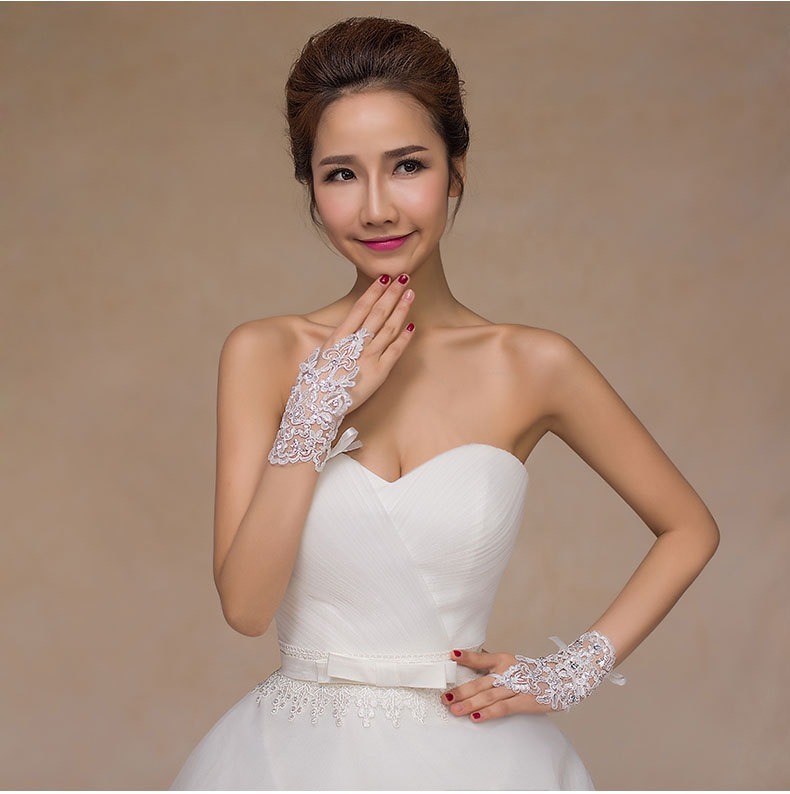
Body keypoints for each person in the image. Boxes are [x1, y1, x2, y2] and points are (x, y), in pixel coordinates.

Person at [170, 15, 719, 790]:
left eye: (407, 166)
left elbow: (689, 528)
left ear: (455, 171)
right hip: (288, 761)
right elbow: (246, 608)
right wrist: (315, 412)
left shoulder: (532, 364)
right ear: (311, 189)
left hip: (479, 760)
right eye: (340, 174)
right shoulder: (265, 353)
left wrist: (571, 670)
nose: (377, 208)